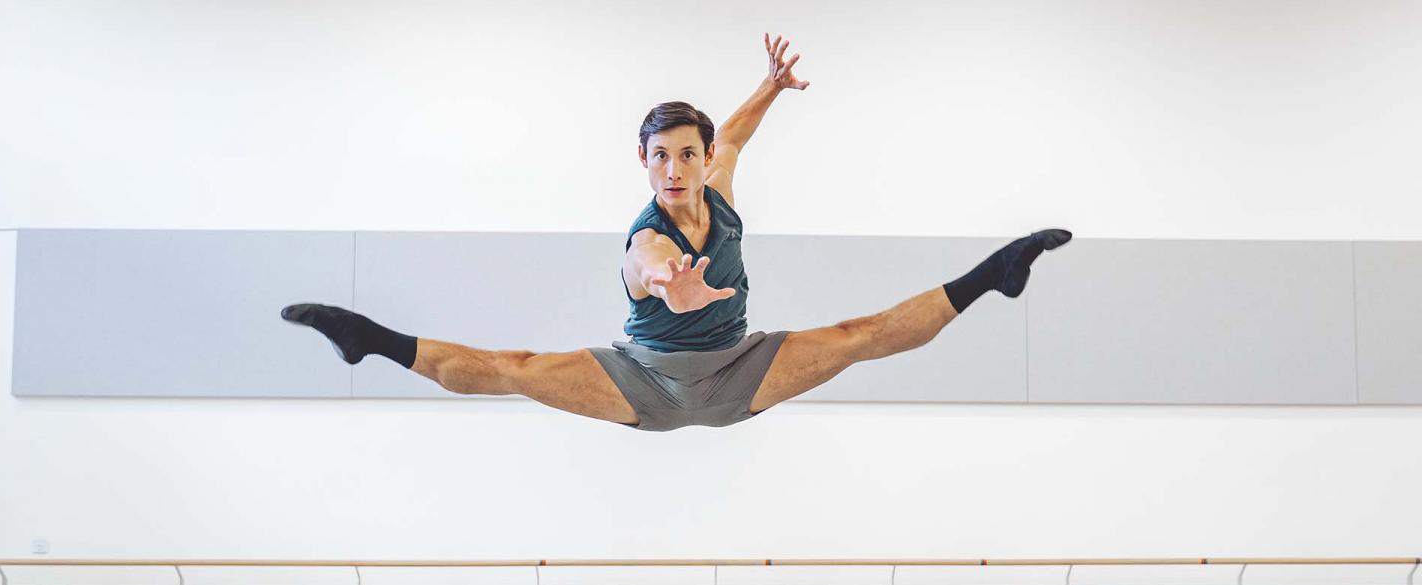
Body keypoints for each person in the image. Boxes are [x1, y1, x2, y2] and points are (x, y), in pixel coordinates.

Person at [282, 33, 1071, 432]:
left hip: (740, 372)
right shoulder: (645, 239)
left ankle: (992, 275)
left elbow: (734, 136)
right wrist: (672, 283)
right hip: (646, 379)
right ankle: (371, 339)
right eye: (659, 157)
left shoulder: (717, 184)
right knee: (513, 367)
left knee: (859, 333)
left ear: (699, 160)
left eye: (686, 155)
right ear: (644, 162)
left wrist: (770, 86)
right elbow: (651, 265)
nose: (675, 170)